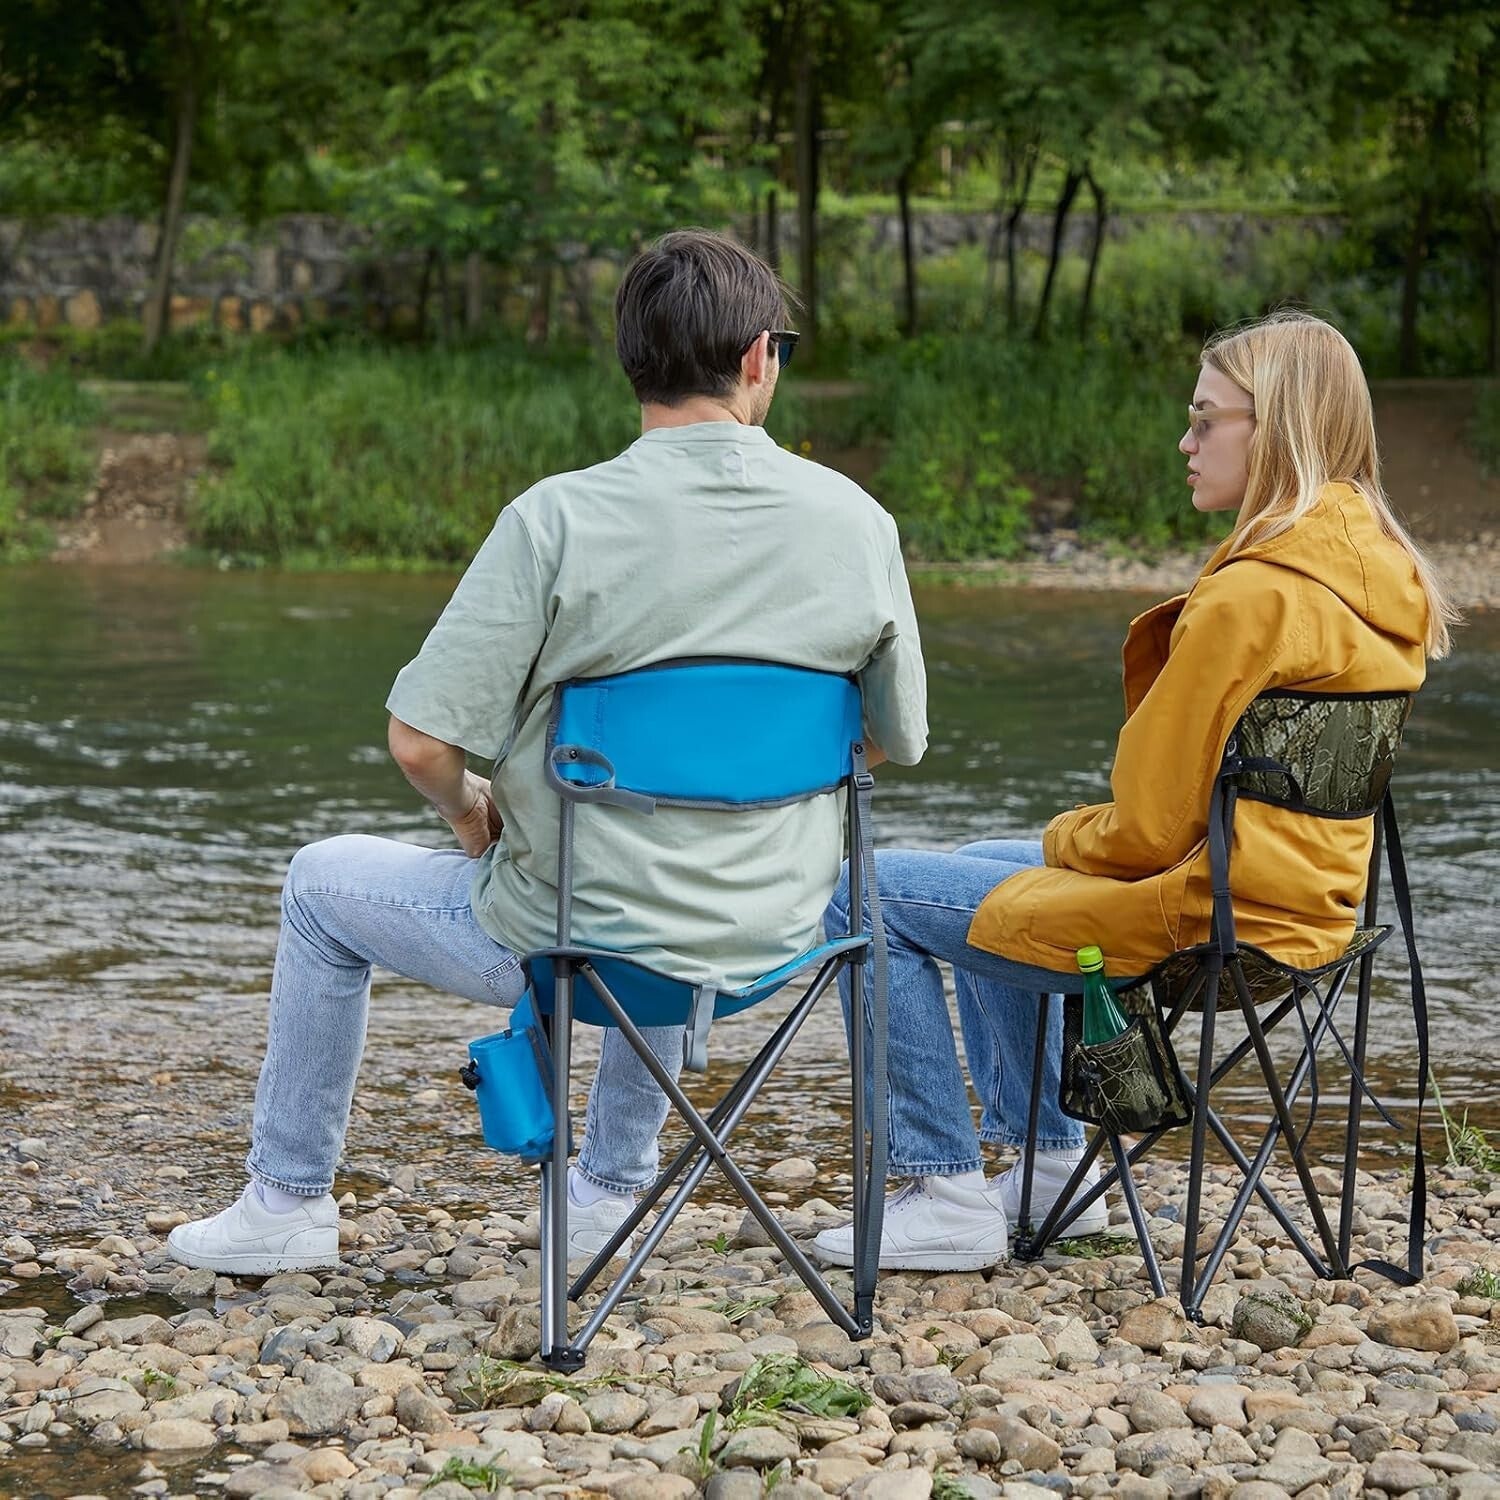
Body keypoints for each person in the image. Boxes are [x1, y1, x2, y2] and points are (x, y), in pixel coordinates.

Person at [167, 228, 928, 1277]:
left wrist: (473, 817)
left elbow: (421, 741)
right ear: (760, 357)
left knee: (320, 885)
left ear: (632, 362)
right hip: (773, 939)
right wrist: (745, 785)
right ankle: (612, 1185)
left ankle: (288, 1201)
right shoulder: (857, 523)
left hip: (580, 943)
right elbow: (892, 739)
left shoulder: (555, 523)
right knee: (669, 840)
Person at [813, 309, 1455, 1272]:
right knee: (975, 863)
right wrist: (1059, 841)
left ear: (1272, 428)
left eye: (1206, 420)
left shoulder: (1253, 596)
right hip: (1305, 908)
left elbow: (1147, 831)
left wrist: (1067, 834)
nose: (1185, 442)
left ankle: (940, 1186)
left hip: (1204, 914)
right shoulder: (1378, 577)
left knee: (861, 889)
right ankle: (1043, 1169)